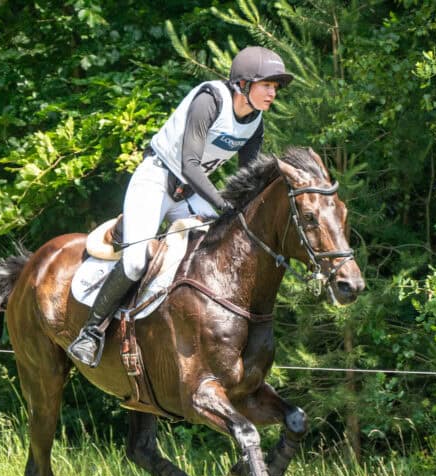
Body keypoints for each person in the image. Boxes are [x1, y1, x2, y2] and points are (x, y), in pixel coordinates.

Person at [68, 46, 294, 366]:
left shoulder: (255, 123)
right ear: (244, 84)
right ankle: (90, 333)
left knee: (226, 244)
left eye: (276, 87)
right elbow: (189, 163)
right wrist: (223, 204)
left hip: (189, 194)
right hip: (157, 179)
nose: (274, 93)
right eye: (268, 85)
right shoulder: (210, 101)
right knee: (134, 263)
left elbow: (249, 181)